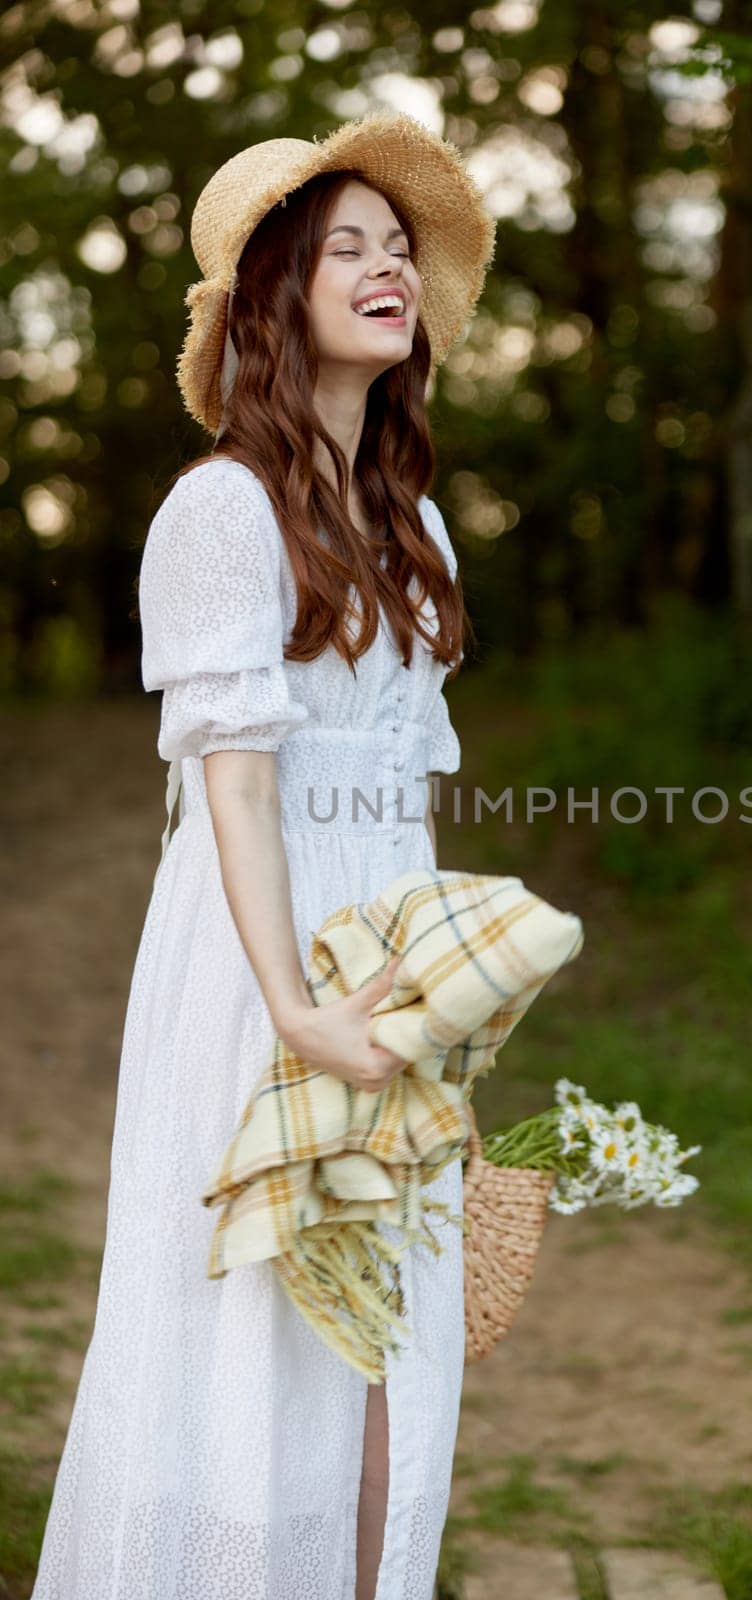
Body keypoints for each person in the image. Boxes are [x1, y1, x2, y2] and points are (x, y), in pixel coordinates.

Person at [30, 113, 495, 1600]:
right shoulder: (220, 510)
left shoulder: (413, 519)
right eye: (344, 247)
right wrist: (294, 1007)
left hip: (390, 958)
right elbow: (235, 793)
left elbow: (407, 800)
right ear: (276, 301)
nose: (387, 268)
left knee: (393, 1360)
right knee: (268, 1336)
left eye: (395, 247)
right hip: (264, 964)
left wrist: (445, 1009)